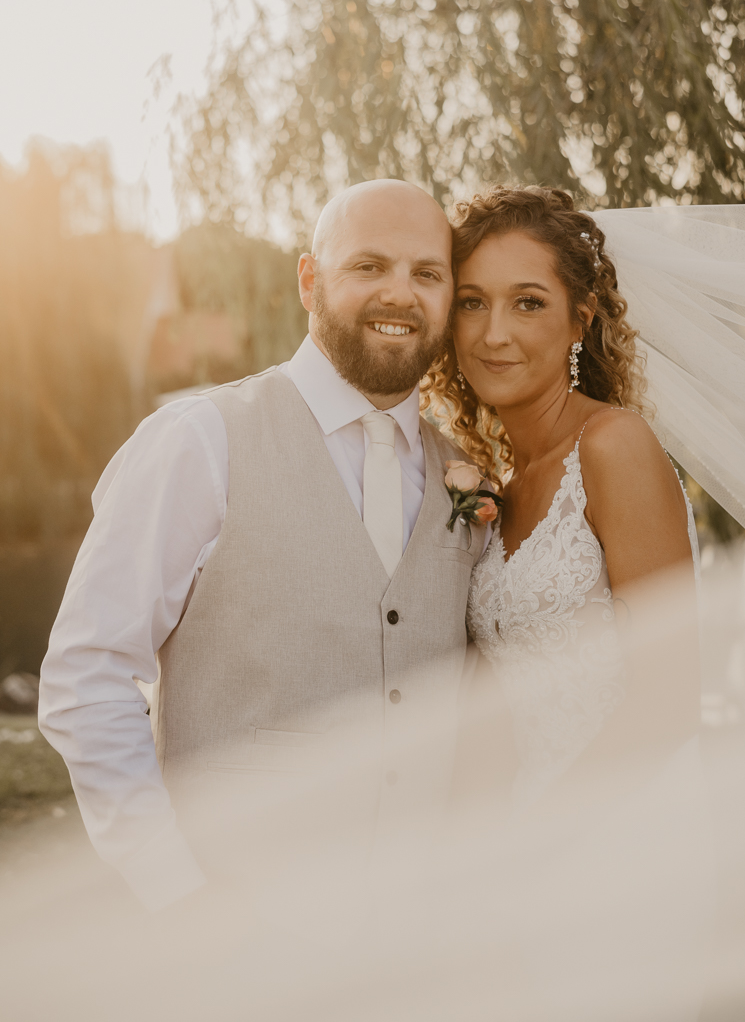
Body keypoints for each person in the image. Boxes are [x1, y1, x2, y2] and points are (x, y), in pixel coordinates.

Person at [38, 178, 489, 912]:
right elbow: (86, 674)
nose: (400, 294)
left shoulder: (464, 476)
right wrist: (175, 889)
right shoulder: (201, 442)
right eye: (368, 267)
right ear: (310, 282)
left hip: (418, 942)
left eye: (426, 274)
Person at [423, 184, 711, 1020]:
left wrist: (531, 854)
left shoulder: (615, 447)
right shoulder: (498, 485)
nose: (492, 332)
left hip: (625, 839)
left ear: (580, 320)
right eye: (471, 302)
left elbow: (668, 699)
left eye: (528, 302)